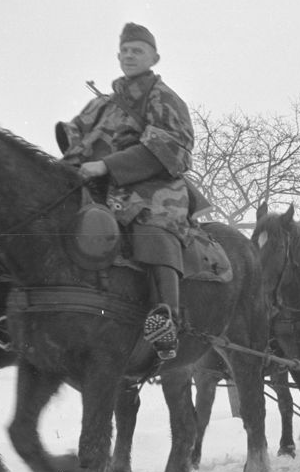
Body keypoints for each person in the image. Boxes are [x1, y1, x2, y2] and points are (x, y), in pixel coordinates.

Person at [55, 22, 195, 360]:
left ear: (154, 57)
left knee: (153, 228)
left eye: (138, 51)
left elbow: (176, 146)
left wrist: (109, 165)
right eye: (126, 50)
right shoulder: (102, 103)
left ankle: (165, 319)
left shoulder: (164, 98)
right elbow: (74, 137)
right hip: (96, 186)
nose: (130, 56)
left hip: (152, 186)